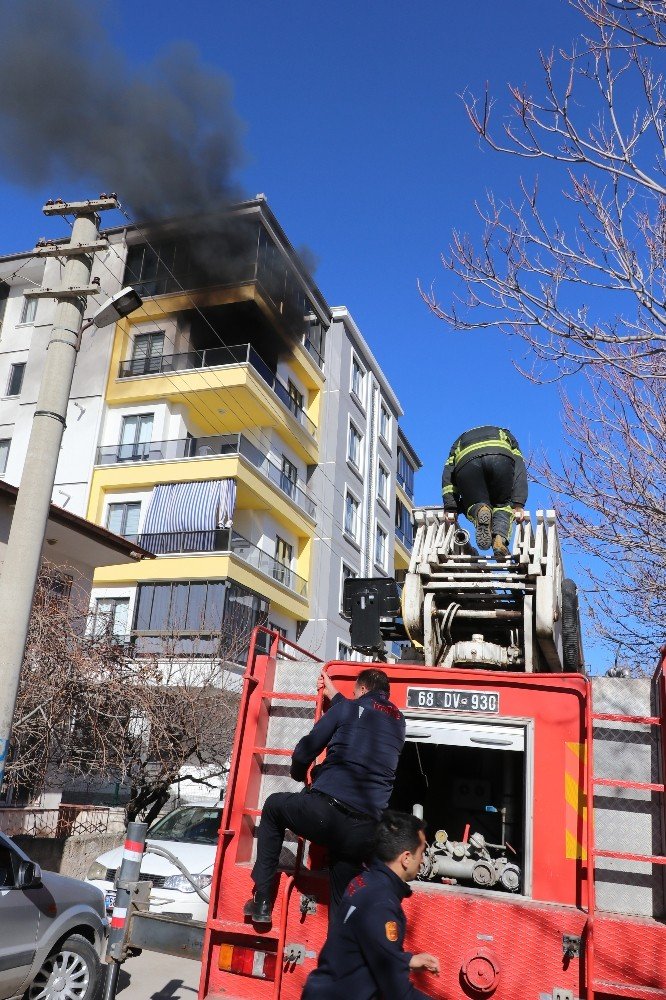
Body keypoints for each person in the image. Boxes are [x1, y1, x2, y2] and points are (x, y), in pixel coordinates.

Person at [244, 667, 406, 925]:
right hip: (363, 833)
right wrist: (336, 694)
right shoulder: (399, 722)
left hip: (326, 815)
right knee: (342, 896)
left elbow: (302, 753)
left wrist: (300, 774)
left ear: (362, 690)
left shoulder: (347, 710)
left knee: (274, 807)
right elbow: (359, 711)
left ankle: (262, 900)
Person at [302, 810, 440, 999]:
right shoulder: (381, 904)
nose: (423, 859)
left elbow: (367, 945)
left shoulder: (364, 881)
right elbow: (398, 993)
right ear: (406, 858)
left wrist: (406, 960)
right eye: (422, 852)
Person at [442, 424, 528, 559]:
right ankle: (499, 540)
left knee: (471, 503)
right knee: (503, 505)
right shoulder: (506, 435)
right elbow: (519, 469)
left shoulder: (459, 441)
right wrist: (518, 503)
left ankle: (479, 509)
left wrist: (451, 506)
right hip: (500, 456)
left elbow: (448, 474)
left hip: (467, 462)